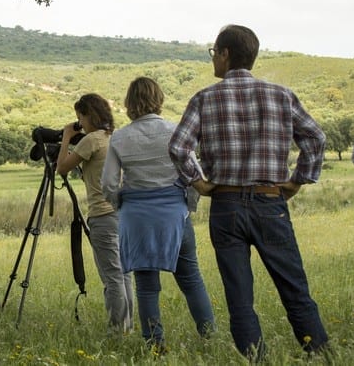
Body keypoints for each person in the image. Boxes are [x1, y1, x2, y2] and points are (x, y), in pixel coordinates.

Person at [168, 25, 329, 361]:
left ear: (226, 54)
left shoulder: (204, 98)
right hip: (270, 201)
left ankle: (254, 359)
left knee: (239, 296)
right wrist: (298, 180)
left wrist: (198, 181)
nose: (213, 59)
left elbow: (179, 147)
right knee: (294, 288)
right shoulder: (281, 95)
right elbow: (315, 138)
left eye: (214, 52)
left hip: (225, 205)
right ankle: (320, 354)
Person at [101, 77, 215, 353]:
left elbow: (108, 184)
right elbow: (194, 176)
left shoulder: (119, 138)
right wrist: (186, 207)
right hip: (174, 215)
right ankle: (210, 338)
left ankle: (156, 346)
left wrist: (123, 204)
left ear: (129, 103)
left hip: (137, 219)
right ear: (159, 99)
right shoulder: (175, 132)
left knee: (146, 286)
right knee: (190, 279)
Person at [56, 93, 134, 335]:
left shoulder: (91, 140)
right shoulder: (117, 137)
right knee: (125, 274)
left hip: (102, 214)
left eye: (80, 118)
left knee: (112, 277)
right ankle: (127, 327)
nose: (80, 122)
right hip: (124, 213)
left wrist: (67, 136)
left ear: (88, 115)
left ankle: (116, 331)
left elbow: (61, 169)